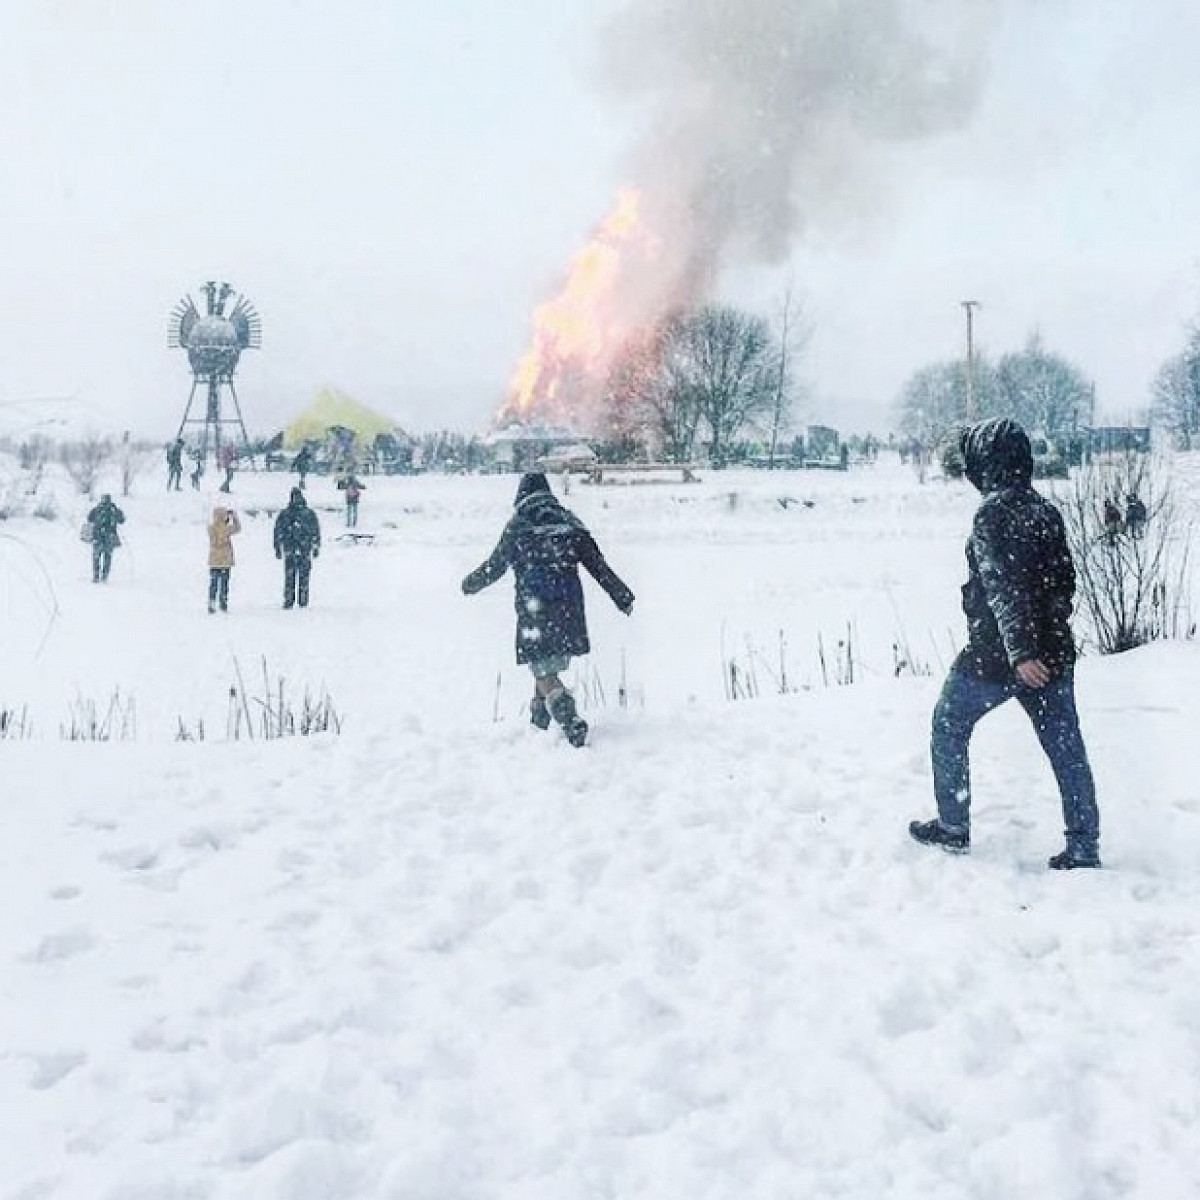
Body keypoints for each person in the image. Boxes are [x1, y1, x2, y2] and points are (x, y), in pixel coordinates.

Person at [908, 418, 1101, 870]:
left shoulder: (992, 512)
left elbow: (1002, 587)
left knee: (948, 722)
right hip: (1054, 651)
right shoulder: (1044, 509)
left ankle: (953, 827)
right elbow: (1062, 583)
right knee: (1066, 748)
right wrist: (1048, 639)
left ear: (986, 463)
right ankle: (1084, 845)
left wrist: (1022, 653)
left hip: (998, 656)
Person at [461, 472, 634, 747]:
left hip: (535, 609)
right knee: (544, 663)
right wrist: (622, 596)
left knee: (543, 670)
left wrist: (470, 583)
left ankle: (569, 720)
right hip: (569, 609)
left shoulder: (518, 525)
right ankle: (539, 720)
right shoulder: (570, 522)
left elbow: (495, 566)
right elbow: (598, 566)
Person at [273, 487, 321, 609]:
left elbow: (315, 531)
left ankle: (296, 600)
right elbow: (278, 531)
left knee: (295, 576)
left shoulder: (289, 513)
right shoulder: (303, 513)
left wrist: (315, 546)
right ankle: (297, 600)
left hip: (298, 548)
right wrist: (277, 547)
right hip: (297, 548)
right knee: (295, 576)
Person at [207, 506, 241, 612]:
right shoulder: (226, 529)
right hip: (225, 560)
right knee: (224, 583)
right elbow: (238, 528)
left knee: (214, 583)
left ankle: (212, 602)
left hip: (214, 561)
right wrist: (234, 517)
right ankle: (223, 602)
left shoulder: (211, 528)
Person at [87, 493, 125, 583]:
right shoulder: (113, 510)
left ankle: (96, 576)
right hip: (110, 537)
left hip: (97, 536)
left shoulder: (97, 509)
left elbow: (89, 519)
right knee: (108, 557)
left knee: (96, 556)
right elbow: (122, 520)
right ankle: (104, 576)